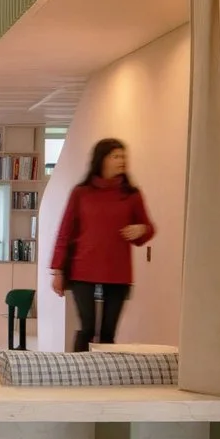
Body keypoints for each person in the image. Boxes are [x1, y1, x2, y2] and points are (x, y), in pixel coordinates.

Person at [51, 138, 155, 351]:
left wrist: (141, 230)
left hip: (117, 272)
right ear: (102, 159)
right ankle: (77, 374)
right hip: (83, 270)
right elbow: (65, 232)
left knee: (108, 332)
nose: (121, 160)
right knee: (87, 327)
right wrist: (58, 271)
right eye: (115, 156)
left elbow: (148, 228)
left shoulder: (131, 195)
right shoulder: (81, 193)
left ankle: (104, 380)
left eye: (123, 156)